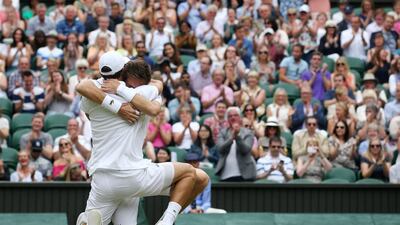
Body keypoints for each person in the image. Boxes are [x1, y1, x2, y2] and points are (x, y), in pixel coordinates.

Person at [76, 53, 208, 225]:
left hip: (101, 180)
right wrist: (120, 105)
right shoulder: (142, 92)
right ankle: (166, 221)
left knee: (95, 219)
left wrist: (112, 104)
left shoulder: (90, 96)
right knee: (194, 174)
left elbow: (83, 86)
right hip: (132, 177)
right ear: (124, 71)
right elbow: (157, 88)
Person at [216, 107, 256, 182]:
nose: (233, 117)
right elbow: (220, 149)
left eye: (235, 115)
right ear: (227, 119)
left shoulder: (248, 132)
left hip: (245, 174)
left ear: (240, 118)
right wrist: (231, 138)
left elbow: (246, 150)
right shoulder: (222, 132)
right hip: (225, 174)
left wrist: (237, 137)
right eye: (230, 116)